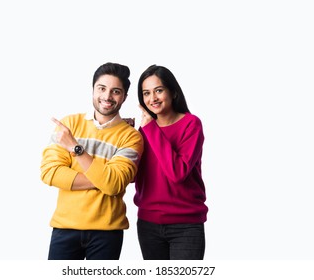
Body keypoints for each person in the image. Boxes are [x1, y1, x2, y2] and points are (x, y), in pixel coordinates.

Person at [40, 62, 143, 260]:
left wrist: (76, 149)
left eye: (116, 91)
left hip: (107, 233)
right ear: (93, 89)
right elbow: (50, 173)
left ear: (124, 97)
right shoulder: (69, 124)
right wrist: (104, 179)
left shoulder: (131, 137)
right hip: (65, 228)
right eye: (102, 89)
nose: (107, 97)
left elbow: (114, 185)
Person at [134, 64, 208, 260]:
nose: (152, 99)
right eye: (146, 93)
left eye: (159, 90)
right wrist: (121, 138)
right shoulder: (143, 130)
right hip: (148, 223)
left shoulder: (191, 124)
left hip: (186, 225)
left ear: (173, 92)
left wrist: (150, 129)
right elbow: (133, 177)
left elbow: (178, 173)